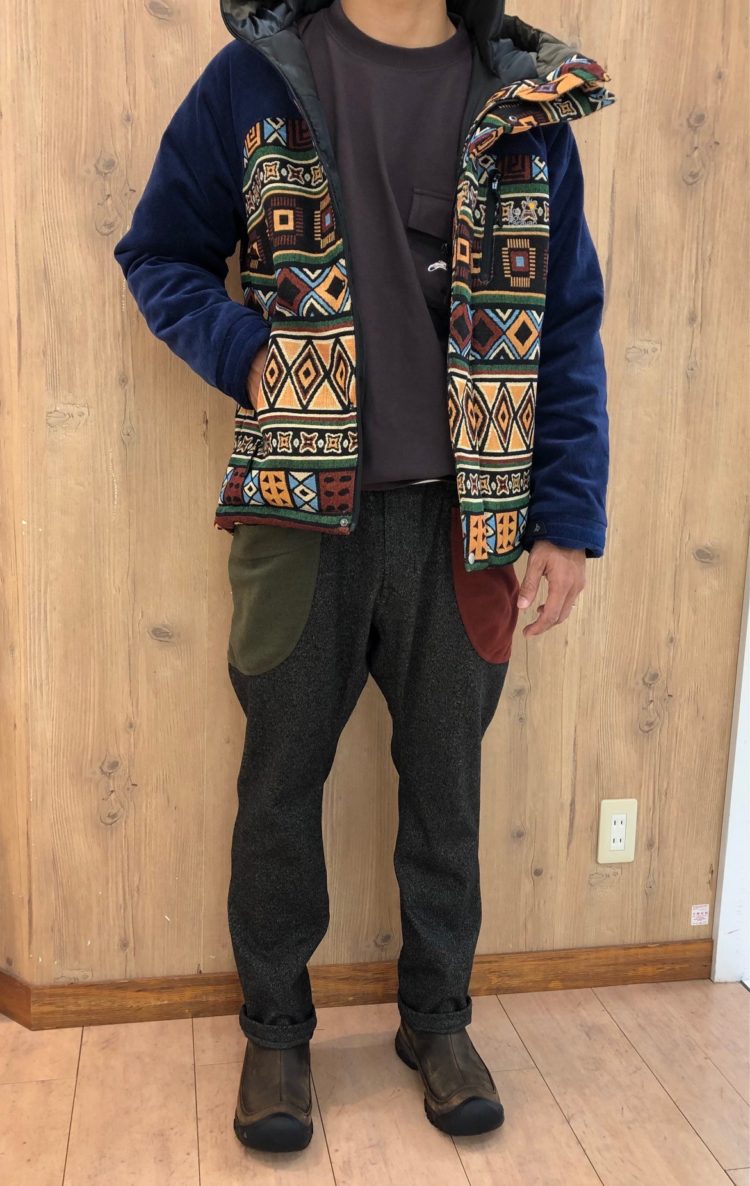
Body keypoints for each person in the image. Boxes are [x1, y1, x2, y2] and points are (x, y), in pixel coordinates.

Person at [113, 0, 615, 1155]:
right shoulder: (256, 80)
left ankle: (439, 1021)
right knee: (280, 783)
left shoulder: (528, 109)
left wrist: (568, 518)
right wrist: (251, 354)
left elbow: (568, 323)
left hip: (469, 524)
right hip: (299, 518)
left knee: (448, 788)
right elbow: (160, 253)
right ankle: (275, 1031)